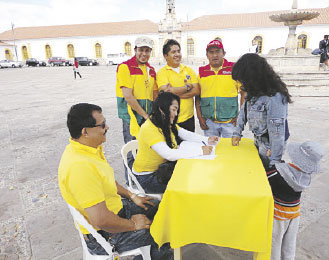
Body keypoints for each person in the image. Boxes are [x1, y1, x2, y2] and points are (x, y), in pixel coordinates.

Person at [58, 103, 173, 260]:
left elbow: (107, 181)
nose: (107, 128)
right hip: (105, 234)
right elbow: (101, 220)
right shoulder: (80, 167)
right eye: (102, 125)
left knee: (161, 207)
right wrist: (133, 224)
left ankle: (155, 252)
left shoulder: (88, 148)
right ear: (85, 132)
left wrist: (132, 196)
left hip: (115, 209)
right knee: (162, 230)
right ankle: (157, 253)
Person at [132, 91, 219, 193]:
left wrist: (207, 140)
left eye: (177, 110)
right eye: (174, 109)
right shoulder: (149, 128)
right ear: (162, 109)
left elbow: (185, 134)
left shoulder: (164, 122)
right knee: (190, 185)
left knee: (194, 173)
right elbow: (169, 154)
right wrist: (200, 151)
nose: (176, 113)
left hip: (163, 169)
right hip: (148, 177)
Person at [231, 53, 292, 168]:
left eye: (242, 80)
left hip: (270, 144)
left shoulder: (275, 97)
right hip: (259, 139)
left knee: (265, 172)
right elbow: (244, 111)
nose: (240, 84)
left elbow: (277, 132)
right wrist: (237, 133)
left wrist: (275, 159)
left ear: (252, 77)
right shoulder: (252, 90)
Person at [266, 141, 324, 260]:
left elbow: (269, 174)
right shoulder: (306, 177)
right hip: (294, 213)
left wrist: (269, 158)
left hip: (279, 215)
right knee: (289, 245)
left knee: (274, 244)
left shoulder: (277, 173)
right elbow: (288, 170)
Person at [116, 36, 158, 182]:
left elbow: (154, 94)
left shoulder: (151, 70)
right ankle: (131, 185)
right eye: (141, 50)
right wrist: (145, 115)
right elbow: (128, 96)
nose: (144, 54)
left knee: (146, 150)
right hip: (132, 118)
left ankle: (143, 181)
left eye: (147, 50)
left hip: (146, 117)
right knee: (131, 152)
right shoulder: (125, 67)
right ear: (135, 50)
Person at [195, 39, 245, 137]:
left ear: (224, 53)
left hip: (230, 122)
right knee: (212, 150)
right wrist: (200, 117)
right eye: (211, 52)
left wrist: (240, 116)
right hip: (209, 122)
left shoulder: (233, 68)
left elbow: (244, 93)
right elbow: (198, 96)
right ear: (207, 55)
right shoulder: (202, 72)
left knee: (230, 150)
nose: (214, 55)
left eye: (218, 51)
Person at [156, 39, 199, 132]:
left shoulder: (189, 70)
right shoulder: (161, 73)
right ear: (165, 56)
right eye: (173, 52)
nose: (177, 54)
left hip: (188, 119)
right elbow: (165, 92)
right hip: (170, 120)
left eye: (178, 51)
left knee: (189, 146)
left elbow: (196, 91)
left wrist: (173, 94)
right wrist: (187, 87)